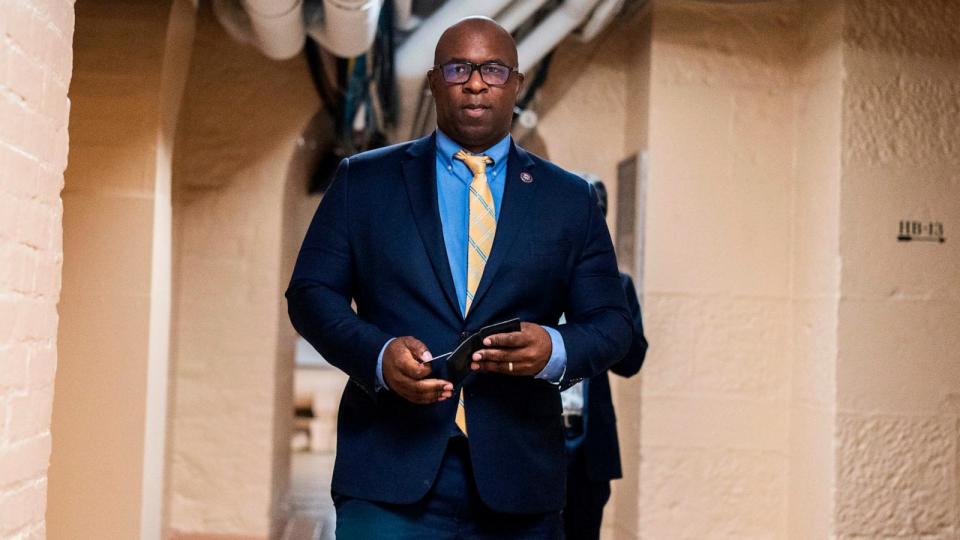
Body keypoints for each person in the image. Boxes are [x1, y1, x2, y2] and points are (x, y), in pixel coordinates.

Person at [286, 16, 632, 539]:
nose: (475, 82)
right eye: (458, 68)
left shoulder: (569, 200)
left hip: (519, 481)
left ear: (515, 83)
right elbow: (311, 294)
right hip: (387, 472)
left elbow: (612, 323)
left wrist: (554, 348)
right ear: (433, 81)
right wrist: (378, 356)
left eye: (493, 69)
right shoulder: (365, 181)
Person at [560, 177, 648, 540]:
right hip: (535, 437)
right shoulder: (535, 276)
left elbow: (632, 363)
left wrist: (606, 312)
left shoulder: (619, 285)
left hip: (588, 444)